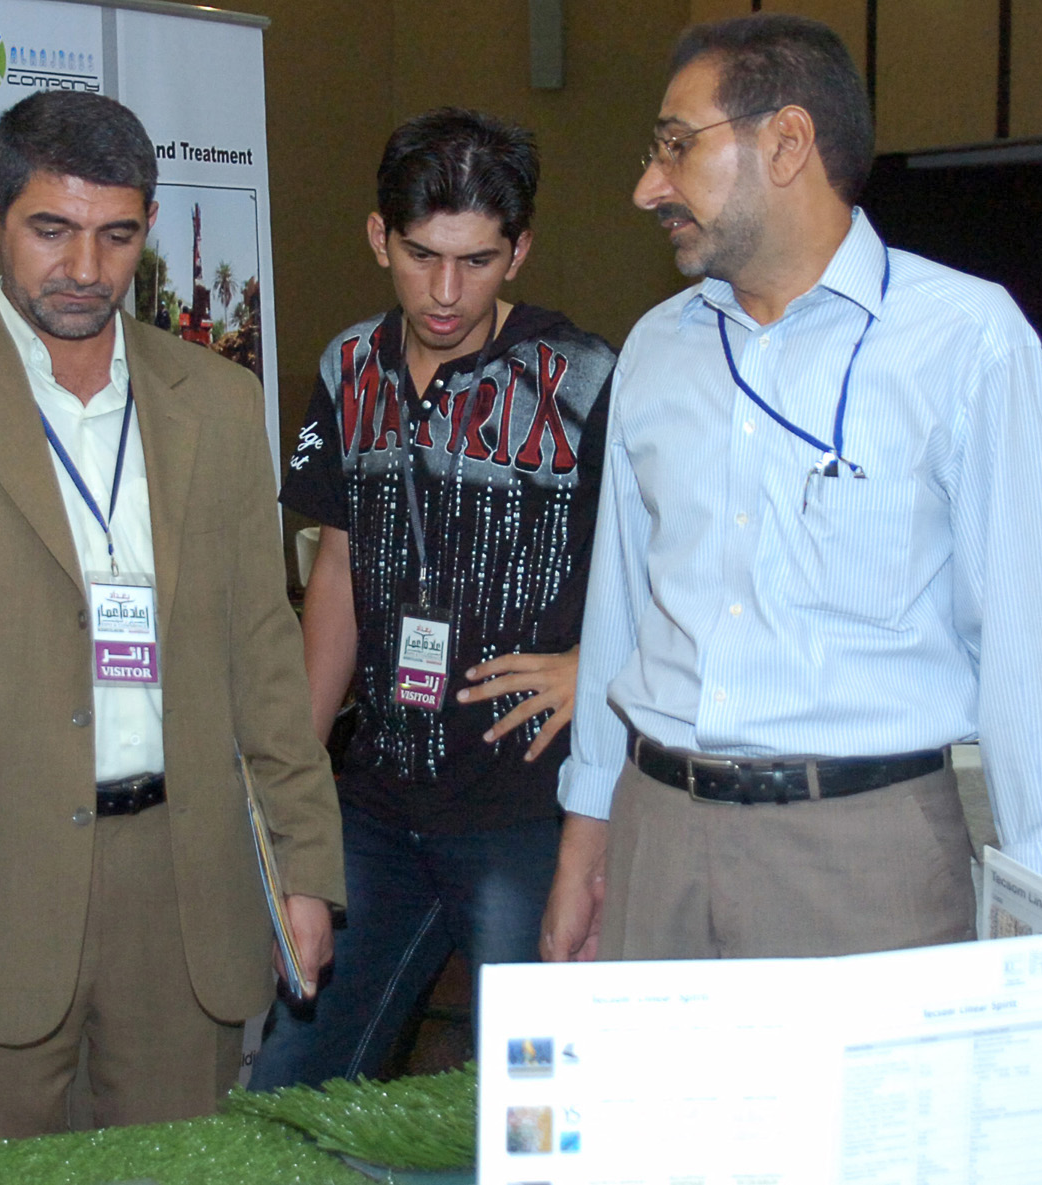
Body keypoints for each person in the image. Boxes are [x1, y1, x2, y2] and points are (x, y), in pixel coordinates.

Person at [0, 90, 344, 1144]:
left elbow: (264, 658)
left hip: (181, 886)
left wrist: (302, 869)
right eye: (51, 232)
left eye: (114, 237)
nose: (83, 269)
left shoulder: (214, 402)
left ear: (147, 230)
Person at [543, 14, 1042, 966]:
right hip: (656, 836)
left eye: (677, 148)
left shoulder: (966, 340)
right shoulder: (657, 349)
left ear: (788, 142)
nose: (648, 187)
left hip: (862, 853)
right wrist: (586, 838)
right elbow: (619, 615)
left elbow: (1028, 642)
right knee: (666, 1120)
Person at [250, 109, 615, 1089]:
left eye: (477, 261)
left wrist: (603, 668)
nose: (445, 292)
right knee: (290, 1092)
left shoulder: (588, 381)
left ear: (519, 249)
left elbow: (679, 562)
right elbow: (334, 573)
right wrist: (289, 790)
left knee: (534, 1107)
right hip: (370, 807)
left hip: (522, 812)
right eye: (420, 256)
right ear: (380, 237)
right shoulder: (347, 367)